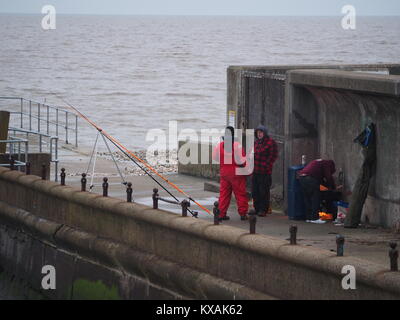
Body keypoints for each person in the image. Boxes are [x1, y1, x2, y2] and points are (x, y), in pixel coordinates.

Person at [212, 126, 249, 221]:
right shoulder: (237, 145)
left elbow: (215, 157)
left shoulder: (220, 145)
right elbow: (242, 161)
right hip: (236, 174)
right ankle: (243, 214)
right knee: (240, 194)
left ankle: (221, 213)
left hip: (224, 173)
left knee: (224, 195)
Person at [298, 159, 341, 224]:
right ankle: (314, 218)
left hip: (302, 178)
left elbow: (320, 181)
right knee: (316, 197)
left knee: (307, 198)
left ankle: (309, 217)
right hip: (310, 179)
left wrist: (326, 187)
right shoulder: (327, 164)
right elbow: (328, 177)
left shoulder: (319, 163)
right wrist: (333, 188)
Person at [252, 125, 278, 217]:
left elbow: (273, 156)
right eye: (258, 132)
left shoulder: (271, 143)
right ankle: (257, 208)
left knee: (264, 192)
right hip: (255, 171)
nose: (259, 134)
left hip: (265, 172)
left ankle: (263, 210)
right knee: (255, 191)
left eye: (261, 132)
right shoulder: (256, 143)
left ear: (265, 133)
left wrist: (266, 166)